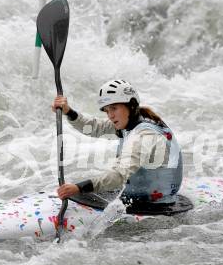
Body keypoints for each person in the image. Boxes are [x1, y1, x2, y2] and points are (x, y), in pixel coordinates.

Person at [52, 79, 183, 206]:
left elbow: (120, 175)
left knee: (86, 187)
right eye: (107, 110)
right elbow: (93, 127)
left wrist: (78, 188)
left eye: (114, 108)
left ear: (131, 105)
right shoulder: (134, 121)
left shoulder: (144, 135)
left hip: (154, 204)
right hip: (145, 194)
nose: (110, 115)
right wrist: (68, 111)